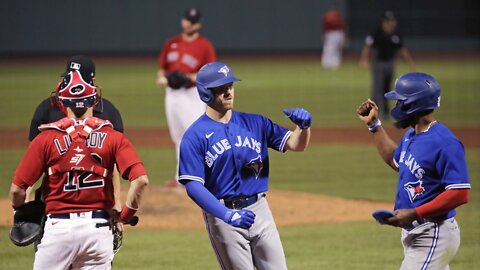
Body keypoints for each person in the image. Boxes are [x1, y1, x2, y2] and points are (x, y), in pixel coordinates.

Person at [9, 69, 149, 269]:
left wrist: (19, 210)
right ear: (94, 98)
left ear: (62, 101)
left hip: (59, 230)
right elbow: (141, 180)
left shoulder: (45, 139)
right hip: (98, 232)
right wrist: (125, 215)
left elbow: (17, 189)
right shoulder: (113, 137)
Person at [178, 62, 312, 270]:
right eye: (221, 88)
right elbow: (193, 186)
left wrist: (303, 128)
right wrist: (226, 215)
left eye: (230, 86)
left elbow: (296, 144)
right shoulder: (194, 136)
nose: (228, 92)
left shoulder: (255, 123)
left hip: (260, 210)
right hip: (224, 217)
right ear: (205, 93)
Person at [356, 72, 470, 269]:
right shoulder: (412, 135)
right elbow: (396, 160)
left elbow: (460, 193)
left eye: (400, 101)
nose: (396, 106)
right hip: (419, 232)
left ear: (413, 104)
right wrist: (374, 126)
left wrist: (416, 213)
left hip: (434, 233)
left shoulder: (445, 143)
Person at [27, 55, 124, 212]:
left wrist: (116, 203)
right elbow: (34, 163)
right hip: (54, 200)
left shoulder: (108, 112)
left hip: (96, 201)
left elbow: (112, 166)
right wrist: (25, 199)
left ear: (91, 82)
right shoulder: (46, 109)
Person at [156, 7, 216, 187]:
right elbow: (161, 71)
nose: (188, 23)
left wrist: (187, 78)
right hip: (172, 95)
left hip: (192, 94)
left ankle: (206, 175)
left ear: (198, 24)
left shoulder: (204, 46)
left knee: (197, 135)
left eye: (192, 21)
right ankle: (180, 176)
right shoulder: (171, 43)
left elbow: (210, 73)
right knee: (178, 136)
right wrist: (165, 80)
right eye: (186, 19)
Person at [359, 10, 415, 120]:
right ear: (383, 22)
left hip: (390, 64)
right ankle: (373, 113)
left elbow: (402, 50)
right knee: (377, 89)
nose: (390, 23)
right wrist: (364, 59)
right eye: (388, 21)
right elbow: (368, 46)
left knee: (387, 89)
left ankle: (384, 113)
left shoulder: (396, 34)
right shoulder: (377, 32)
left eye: (392, 21)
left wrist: (410, 63)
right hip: (378, 64)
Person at [320, 5, 345, 69]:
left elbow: (342, 25)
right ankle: (328, 63)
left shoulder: (337, 16)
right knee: (329, 49)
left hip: (336, 33)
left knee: (334, 49)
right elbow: (324, 25)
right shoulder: (330, 16)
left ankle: (334, 63)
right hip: (331, 33)